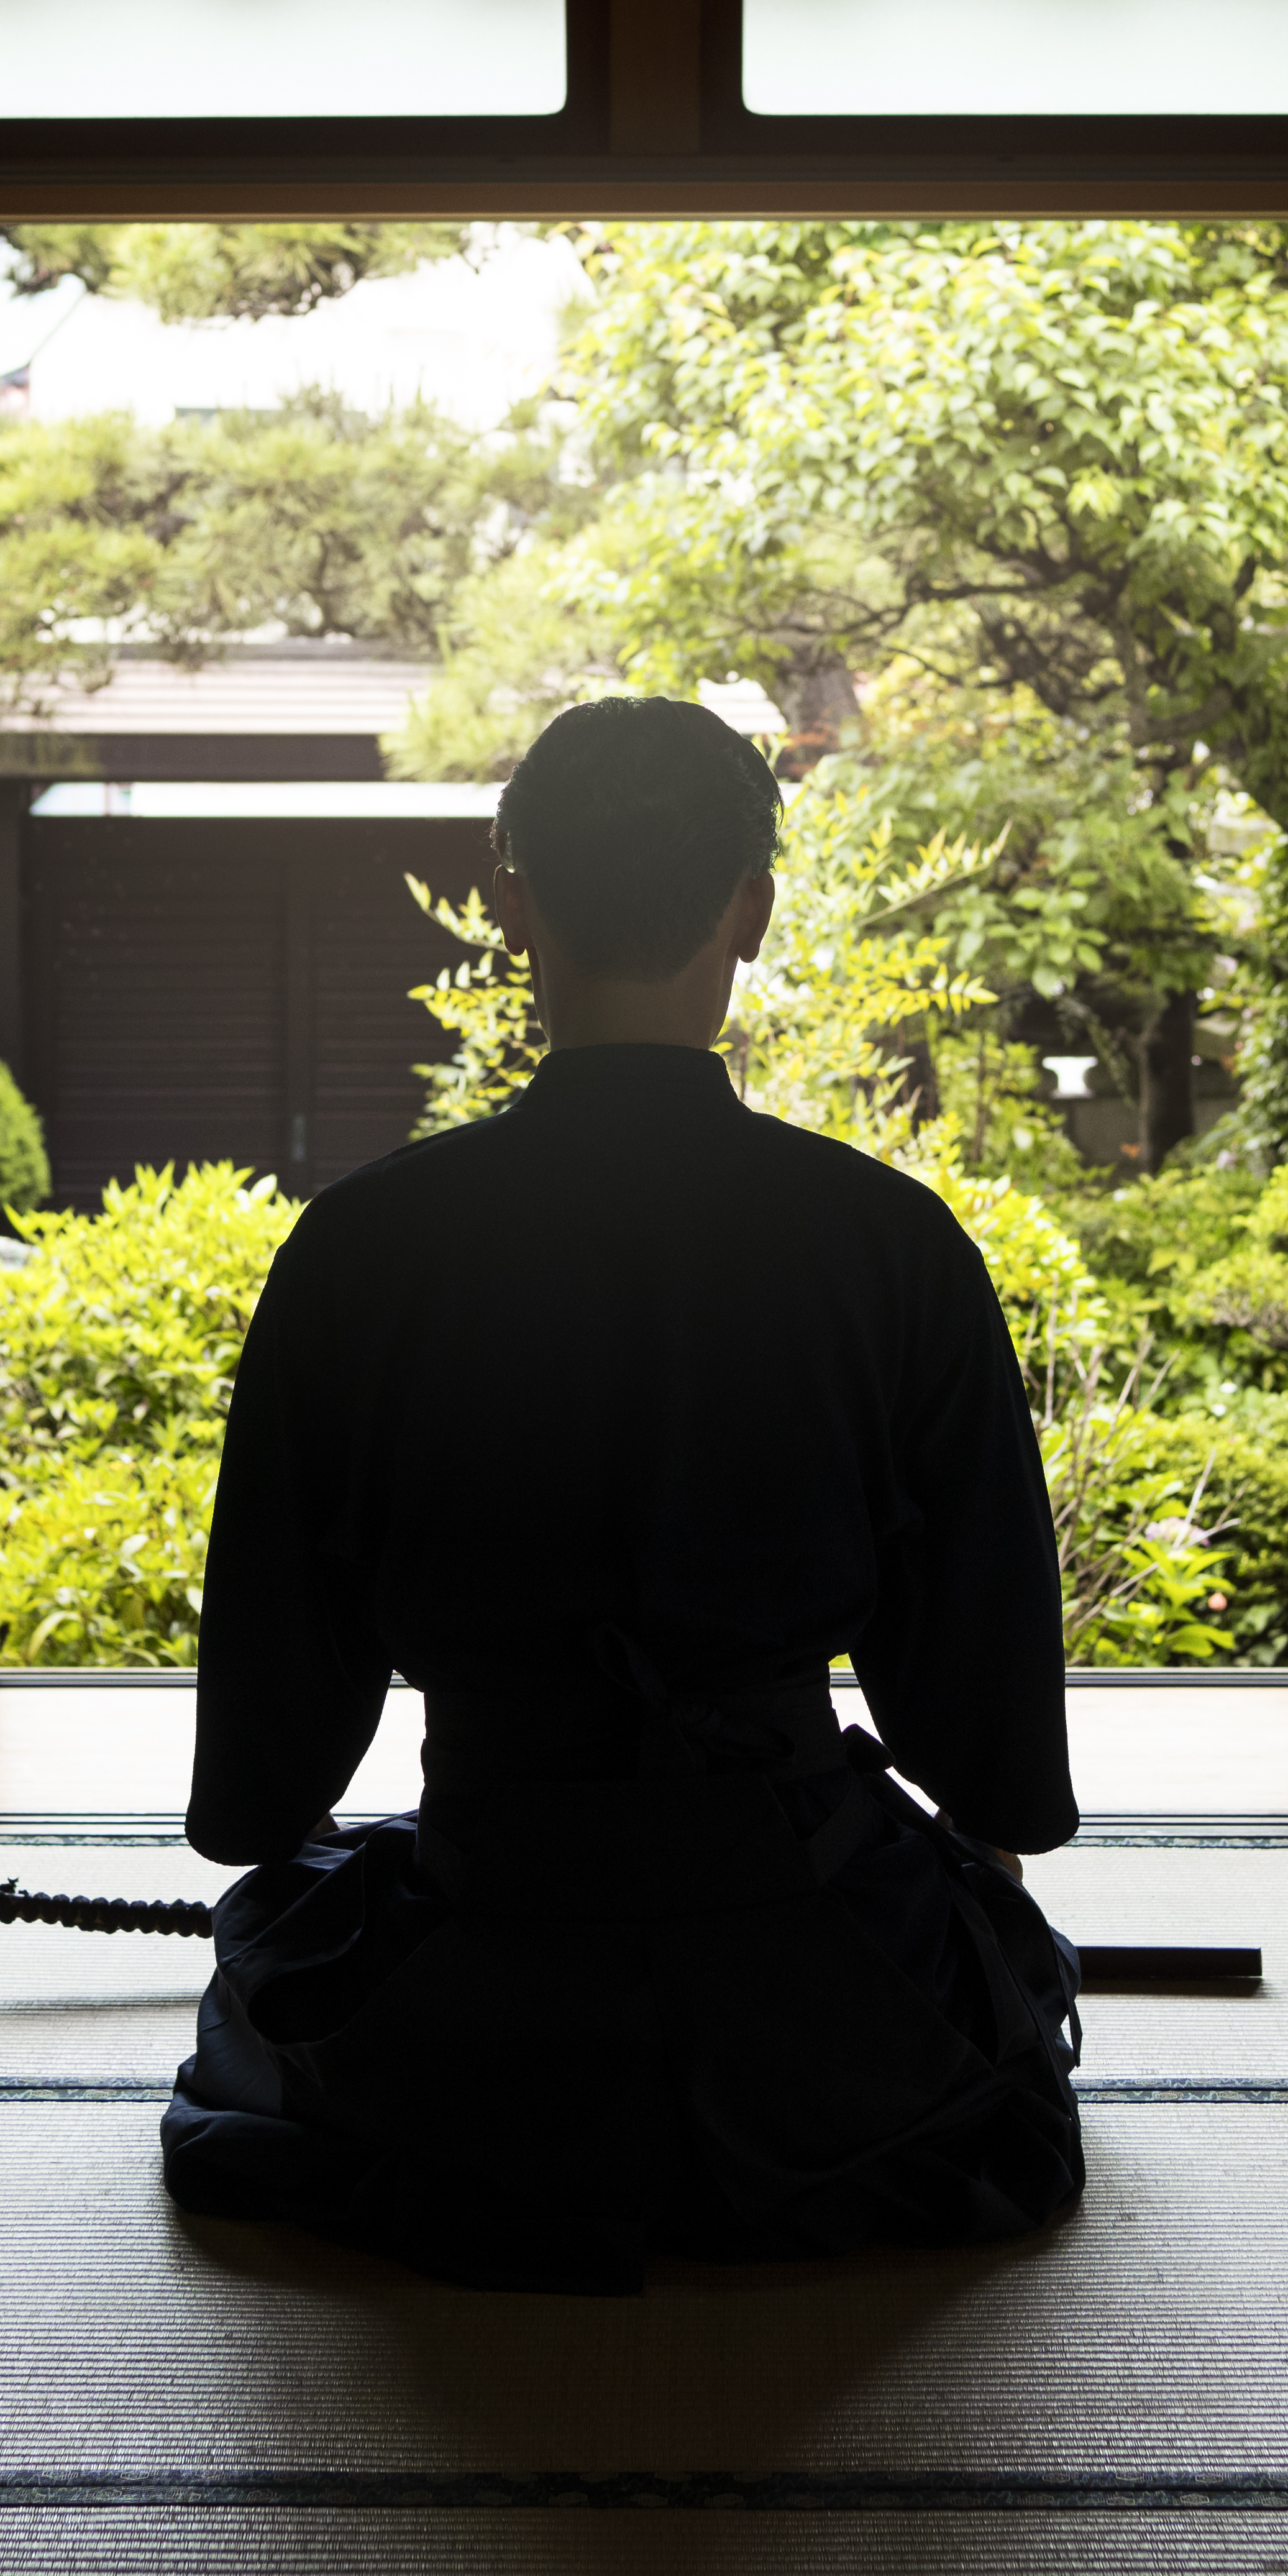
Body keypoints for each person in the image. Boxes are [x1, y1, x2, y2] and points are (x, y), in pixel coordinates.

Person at [162, 696, 1085, 2296]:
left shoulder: (363, 1250)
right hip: (806, 1961)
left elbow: (268, 1749)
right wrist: (986, 1839)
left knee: (285, 1948)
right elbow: (990, 1738)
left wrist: (271, 1820)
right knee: (989, 1981)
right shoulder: (888, 1244)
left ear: (510, 897)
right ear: (753, 906)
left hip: (487, 1934)